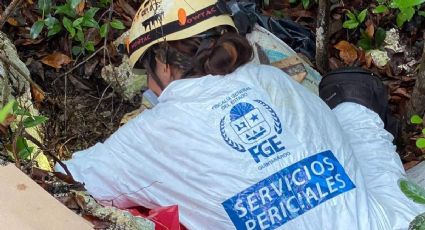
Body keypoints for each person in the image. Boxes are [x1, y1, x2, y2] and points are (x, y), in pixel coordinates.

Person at [55, 0, 425, 229]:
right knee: (350, 95)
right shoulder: (271, 80)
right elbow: (332, 136)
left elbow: (63, 183)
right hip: (393, 220)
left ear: (162, 62)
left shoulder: (149, 136)